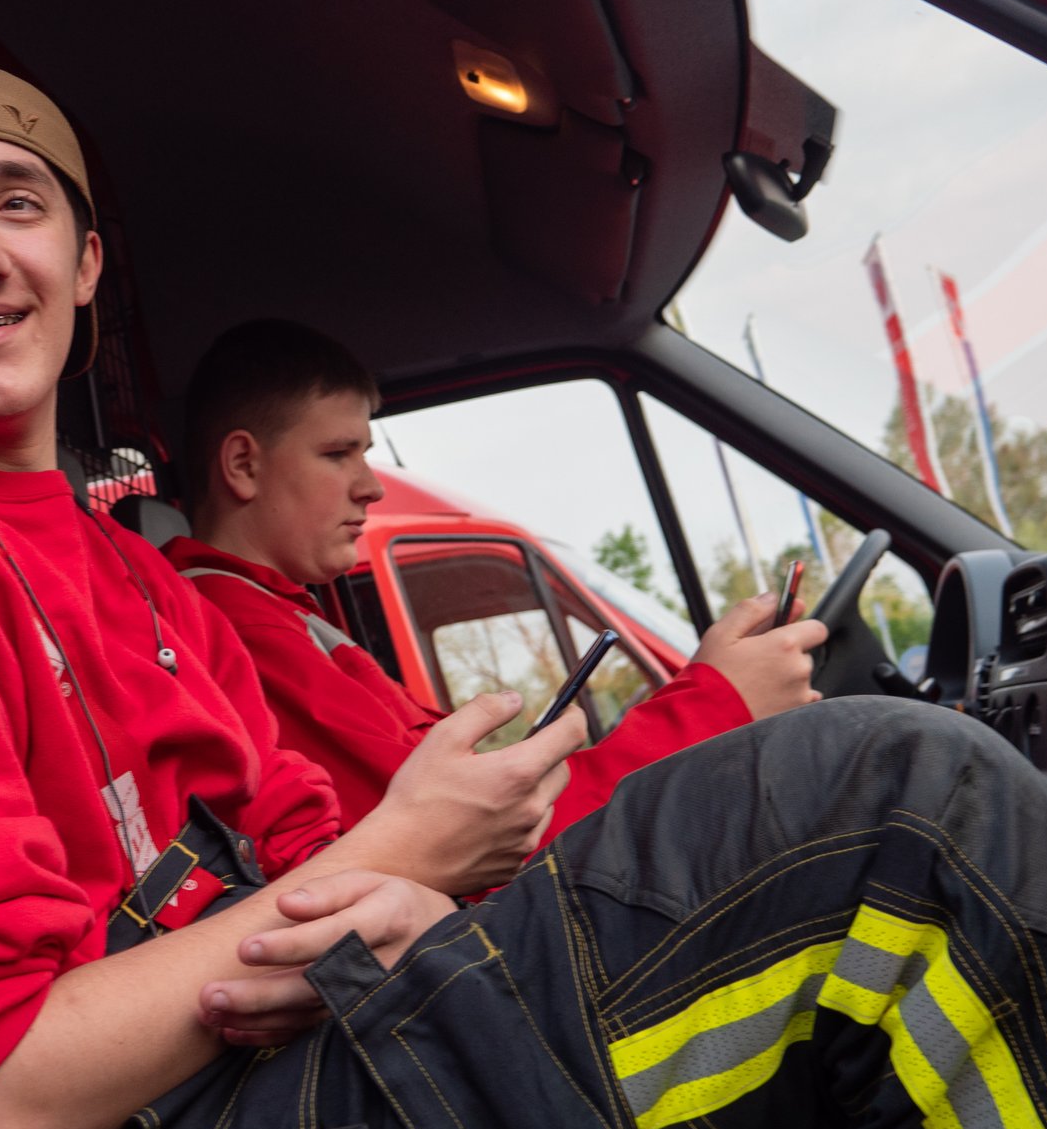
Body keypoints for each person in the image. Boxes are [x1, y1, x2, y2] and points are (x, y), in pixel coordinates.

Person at [0, 57, 1047, 1129]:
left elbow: (301, 843)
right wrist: (397, 862)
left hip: (299, 1055)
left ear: (83, 266)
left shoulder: (127, 568)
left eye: (16, 206)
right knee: (901, 810)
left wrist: (388, 891)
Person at [164, 318, 823, 837]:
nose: (369, 487)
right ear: (243, 465)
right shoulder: (240, 630)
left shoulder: (281, 615)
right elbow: (475, 839)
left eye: (364, 454)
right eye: (338, 454)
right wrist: (717, 704)